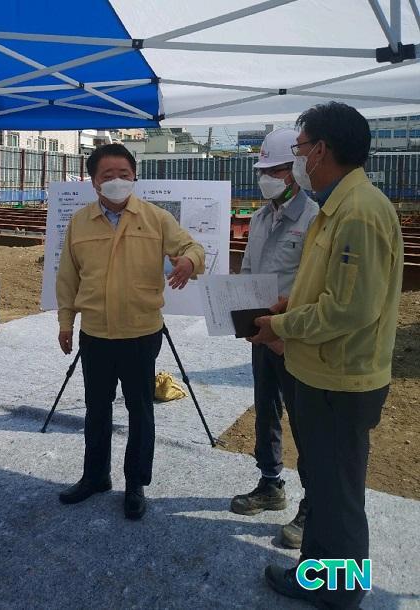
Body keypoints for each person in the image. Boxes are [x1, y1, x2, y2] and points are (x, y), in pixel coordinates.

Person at [252, 103, 404, 609]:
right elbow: (326, 289)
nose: (297, 159)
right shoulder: (338, 207)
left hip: (341, 379)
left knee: (338, 496)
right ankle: (316, 575)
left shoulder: (358, 212)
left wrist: (282, 325)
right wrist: (289, 304)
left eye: (299, 149)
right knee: (323, 481)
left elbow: (350, 309)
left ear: (320, 150)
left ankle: (341, 591)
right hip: (322, 372)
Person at [56, 144, 205, 520]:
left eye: (123, 174)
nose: (117, 181)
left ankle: (135, 483)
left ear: (135, 176)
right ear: (94, 182)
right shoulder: (79, 223)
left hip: (141, 333)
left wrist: (189, 261)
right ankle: (95, 476)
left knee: (140, 409)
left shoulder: (156, 218)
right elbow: (67, 278)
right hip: (95, 334)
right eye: (107, 175)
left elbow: (192, 246)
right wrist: (65, 323)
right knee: (96, 408)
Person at [231, 129, 318, 551]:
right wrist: (244, 320)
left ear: (296, 170)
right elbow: (250, 274)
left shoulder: (315, 219)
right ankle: (271, 484)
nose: (268, 178)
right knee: (266, 408)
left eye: (277, 169)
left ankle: (314, 504)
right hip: (262, 334)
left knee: (305, 421)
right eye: (263, 170)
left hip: (295, 338)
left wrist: (284, 330)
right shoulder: (261, 218)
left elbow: (314, 287)